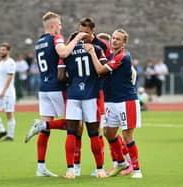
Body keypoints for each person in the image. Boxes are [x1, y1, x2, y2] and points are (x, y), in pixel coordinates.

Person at [25, 11, 88, 177]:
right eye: (59, 25)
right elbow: (63, 53)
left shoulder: (39, 42)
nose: (61, 28)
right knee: (73, 125)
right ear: (53, 26)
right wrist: (77, 39)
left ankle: (40, 168)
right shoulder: (55, 37)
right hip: (57, 87)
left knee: (46, 131)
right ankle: (72, 167)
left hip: (43, 88)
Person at [83, 28, 143, 178]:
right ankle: (120, 162)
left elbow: (100, 70)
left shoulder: (123, 56)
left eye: (118, 39)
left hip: (126, 101)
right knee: (109, 133)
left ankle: (136, 170)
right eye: (113, 38)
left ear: (124, 42)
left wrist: (91, 52)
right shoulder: (112, 54)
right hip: (111, 102)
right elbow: (101, 44)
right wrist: (89, 35)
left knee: (127, 136)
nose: (114, 40)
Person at [58, 32, 107, 179]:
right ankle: (100, 170)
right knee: (94, 135)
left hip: (73, 96)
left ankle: (70, 170)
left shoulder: (66, 52)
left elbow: (60, 77)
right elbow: (104, 72)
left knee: (71, 134)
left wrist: (72, 81)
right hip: (90, 96)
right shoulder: (96, 49)